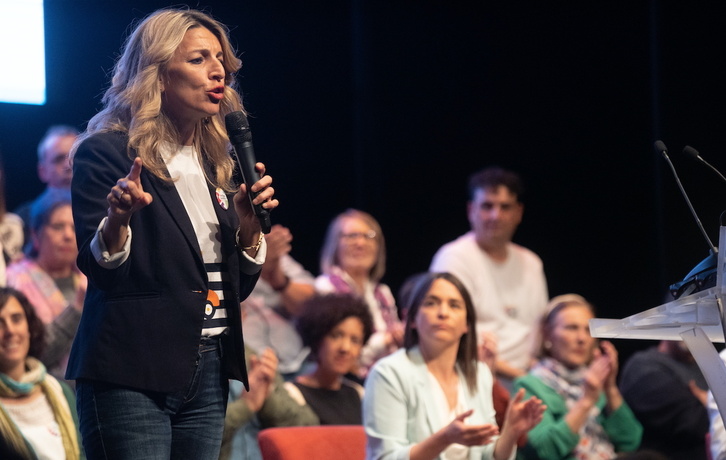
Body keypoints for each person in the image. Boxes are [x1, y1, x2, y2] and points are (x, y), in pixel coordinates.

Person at [66, 8, 278, 460]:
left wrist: (248, 225)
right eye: (199, 59)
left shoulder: (220, 163)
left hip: (209, 370)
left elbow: (234, 287)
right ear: (158, 75)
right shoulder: (109, 153)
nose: (218, 70)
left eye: (220, 59)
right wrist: (118, 221)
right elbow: (99, 270)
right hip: (132, 371)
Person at [364, 272, 545, 460]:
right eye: (431, 303)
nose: (443, 313)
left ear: (467, 324)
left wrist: (510, 431)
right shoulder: (389, 373)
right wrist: (445, 438)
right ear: (413, 320)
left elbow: (486, 454)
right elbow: (384, 457)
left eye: (454, 305)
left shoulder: (479, 373)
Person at [430, 167, 548, 387]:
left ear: (519, 212)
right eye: (487, 206)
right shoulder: (454, 257)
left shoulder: (532, 263)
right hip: (474, 378)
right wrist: (522, 377)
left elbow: (540, 331)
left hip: (531, 378)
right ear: (470, 210)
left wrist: (539, 376)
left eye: (505, 207)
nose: (496, 215)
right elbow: (449, 334)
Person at [513, 294, 642, 460]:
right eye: (571, 328)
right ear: (547, 334)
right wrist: (586, 402)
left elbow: (631, 442)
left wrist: (610, 388)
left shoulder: (593, 380)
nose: (582, 338)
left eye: (588, 330)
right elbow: (544, 451)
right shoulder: (530, 385)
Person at [7, 192, 86, 385]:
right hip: (45, 391)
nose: (68, 235)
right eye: (58, 227)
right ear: (35, 234)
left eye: (74, 228)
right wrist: (76, 308)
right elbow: (31, 353)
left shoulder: (88, 278)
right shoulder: (16, 280)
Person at [316, 209, 403, 378]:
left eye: (369, 236)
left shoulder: (383, 293)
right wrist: (385, 340)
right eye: (352, 236)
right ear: (335, 244)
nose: (361, 243)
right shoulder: (325, 287)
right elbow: (341, 353)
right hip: (347, 381)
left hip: (387, 377)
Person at [0, 287, 83, 460]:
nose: (10, 331)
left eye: (17, 319)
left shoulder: (60, 391)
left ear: (29, 327)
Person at [284, 293, 374, 425]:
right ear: (317, 339)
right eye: (336, 336)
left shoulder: (359, 394)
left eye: (355, 340)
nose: (345, 348)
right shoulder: (293, 394)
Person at [242, 224, 316, 379]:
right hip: (248, 367)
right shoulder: (217, 253)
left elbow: (312, 306)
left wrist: (277, 276)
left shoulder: (272, 250)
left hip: (297, 362)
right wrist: (255, 268)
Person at [220, 346, 319, 460]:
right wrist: (245, 406)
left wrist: (268, 398)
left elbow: (307, 426)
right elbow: (198, 435)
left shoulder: (253, 358)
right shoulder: (198, 360)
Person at [619, 340, 709, 460]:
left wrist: (709, 402)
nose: (692, 326)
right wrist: (714, 402)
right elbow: (694, 423)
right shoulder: (643, 367)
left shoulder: (707, 363)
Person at [14, 125, 79, 247]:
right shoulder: (22, 220)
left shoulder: (104, 212)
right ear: (42, 171)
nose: (68, 166)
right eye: (59, 159)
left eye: (74, 158)